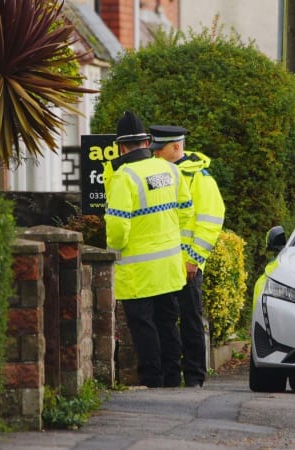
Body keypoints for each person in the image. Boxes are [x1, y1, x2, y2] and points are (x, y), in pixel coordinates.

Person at [104, 112, 194, 388]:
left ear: (121, 147)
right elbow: (186, 213)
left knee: (144, 327)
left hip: (138, 271)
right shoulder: (170, 170)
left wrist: (114, 249)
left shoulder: (124, 177)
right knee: (167, 323)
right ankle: (172, 377)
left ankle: (153, 381)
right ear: (147, 142)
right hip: (168, 268)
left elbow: (118, 228)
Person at [150, 124, 225, 388]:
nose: (155, 154)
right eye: (154, 149)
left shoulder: (200, 178)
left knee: (190, 320)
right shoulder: (158, 175)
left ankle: (194, 378)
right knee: (164, 320)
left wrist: (193, 258)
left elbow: (210, 222)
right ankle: (171, 378)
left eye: (160, 149)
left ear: (177, 147)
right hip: (162, 263)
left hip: (186, 265)